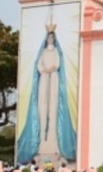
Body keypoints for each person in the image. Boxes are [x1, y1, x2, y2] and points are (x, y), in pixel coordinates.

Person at [16, 25, 77, 163]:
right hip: (44, 77)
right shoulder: (43, 52)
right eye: (48, 37)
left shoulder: (56, 51)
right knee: (42, 107)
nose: (50, 39)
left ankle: (54, 141)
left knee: (54, 108)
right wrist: (44, 69)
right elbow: (38, 65)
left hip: (53, 77)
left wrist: (51, 68)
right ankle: (41, 142)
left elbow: (57, 63)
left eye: (52, 37)